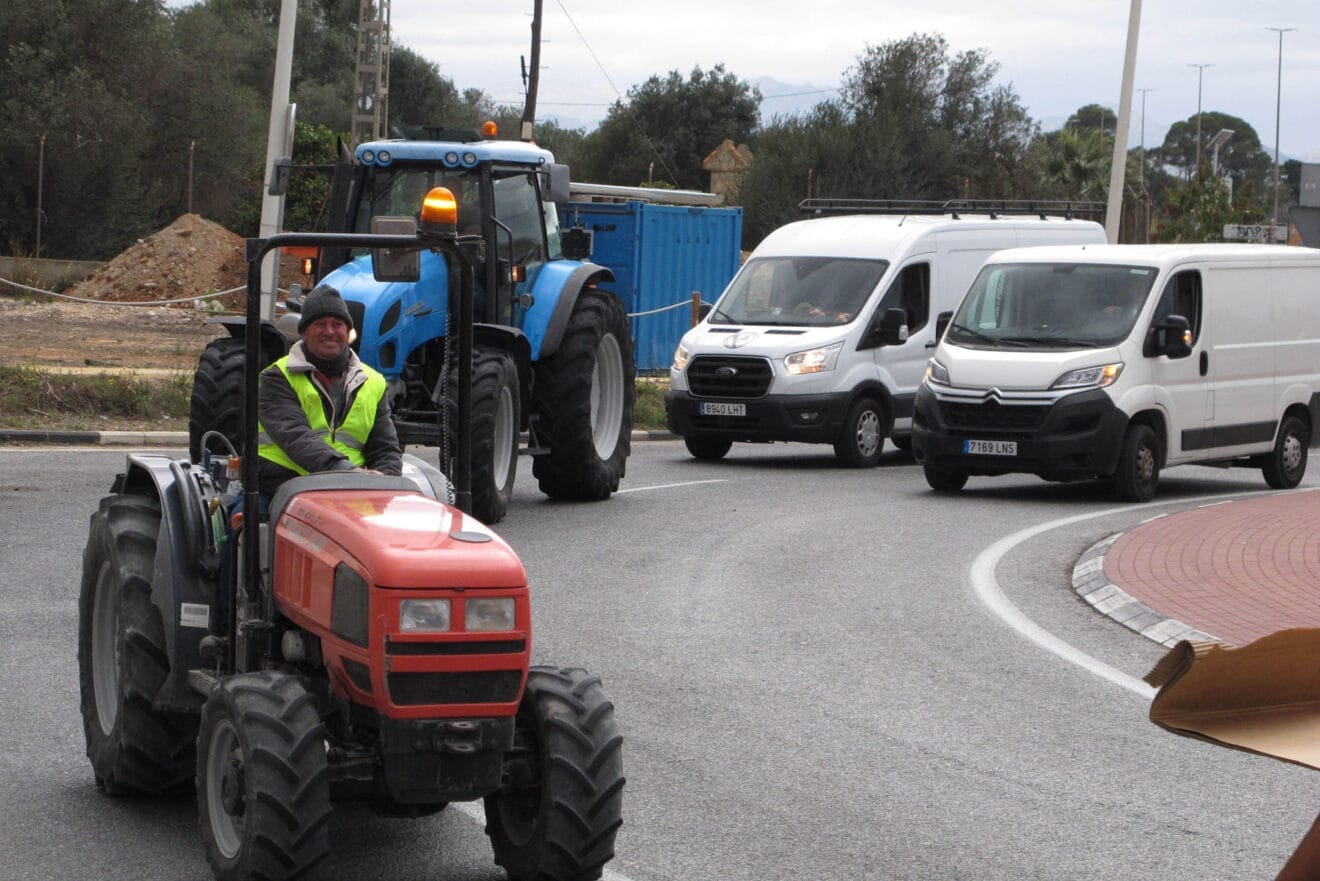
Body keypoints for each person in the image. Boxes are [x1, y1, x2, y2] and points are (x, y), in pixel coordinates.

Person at [257, 284, 402, 496]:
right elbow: (296, 438)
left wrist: (385, 481)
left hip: (354, 490)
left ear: (348, 332)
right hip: (284, 489)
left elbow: (385, 448)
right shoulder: (276, 377)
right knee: (247, 526)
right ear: (304, 332)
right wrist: (348, 474)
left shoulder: (374, 382)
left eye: (337, 324)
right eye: (320, 324)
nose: (329, 332)